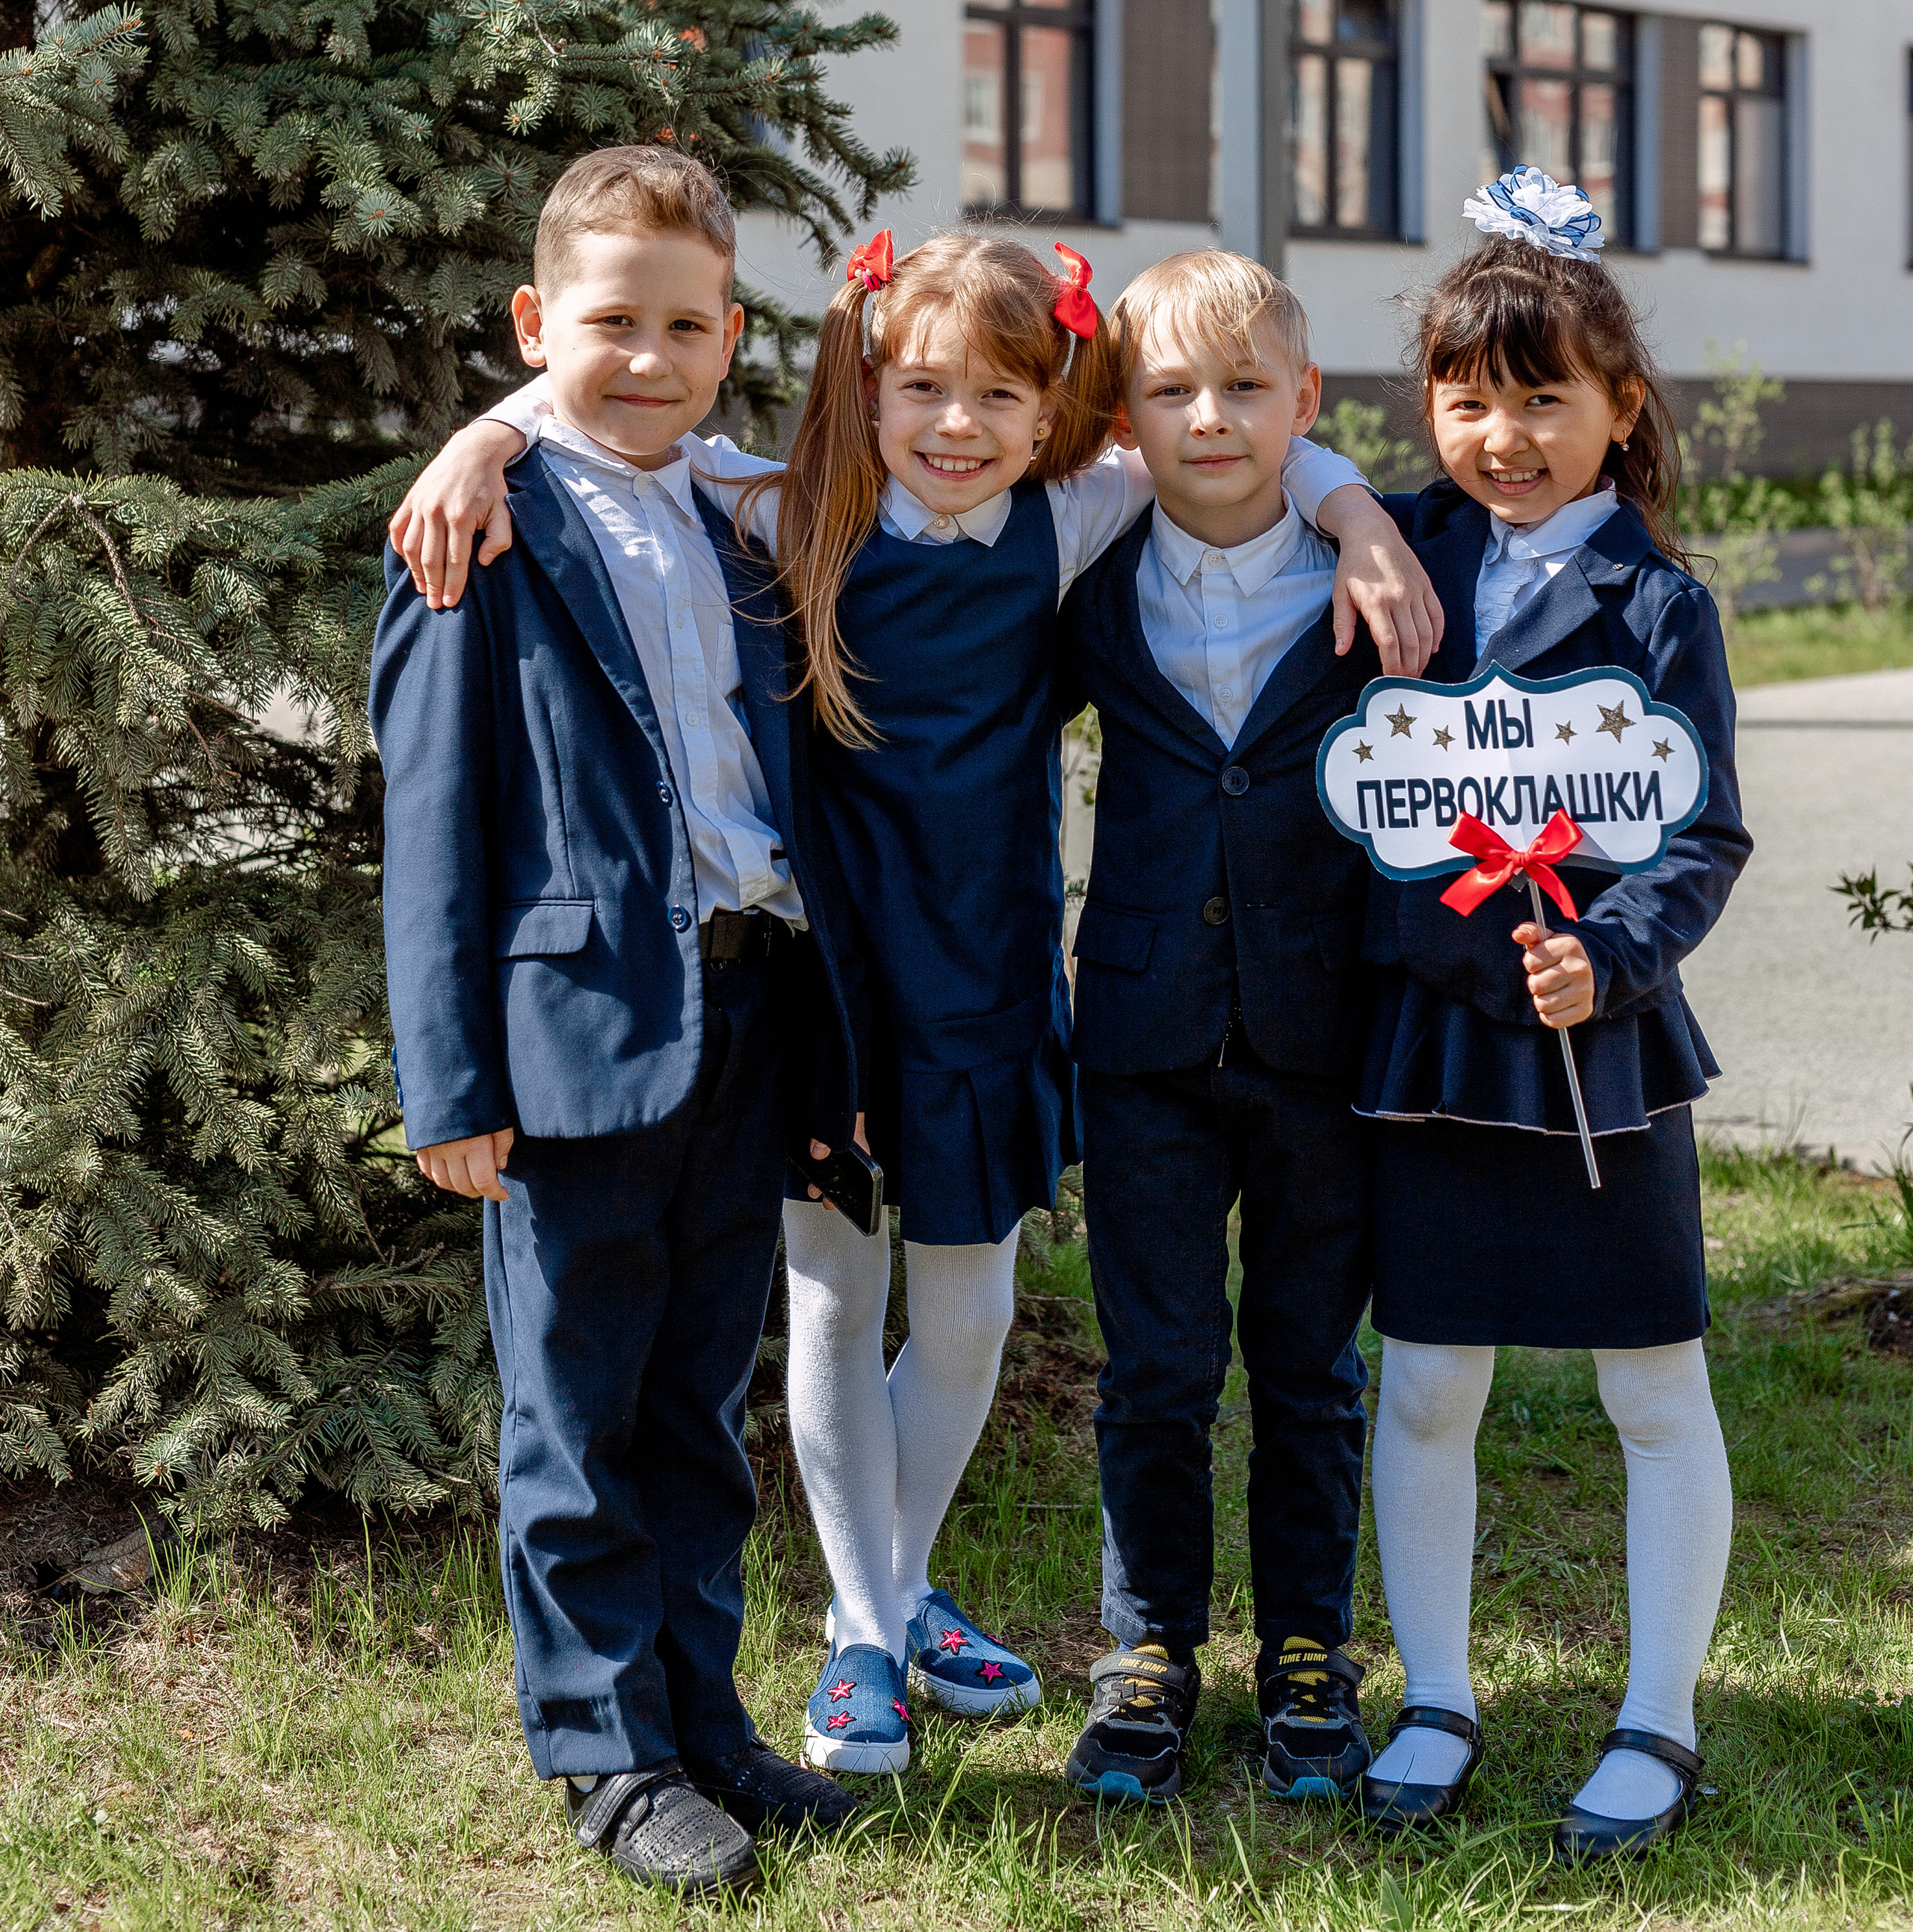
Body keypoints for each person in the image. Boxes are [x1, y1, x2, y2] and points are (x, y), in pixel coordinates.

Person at [391, 226, 1439, 1777]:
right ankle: (867, 1638)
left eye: (999, 395)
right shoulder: (783, 506)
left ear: (1048, 410)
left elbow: (1234, 439)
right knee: (830, 1292)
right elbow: (611, 425)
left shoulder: (1068, 514)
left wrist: (1355, 513)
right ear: (864, 384)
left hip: (991, 972)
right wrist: (482, 432)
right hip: (832, 978)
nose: (957, 426)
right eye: (922, 388)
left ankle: (894, 1582)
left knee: (966, 1313)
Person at [369, 145, 868, 1898]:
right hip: (568, 1038)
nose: (645, 359)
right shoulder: (482, 531)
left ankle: (703, 1724)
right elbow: (432, 821)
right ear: (533, 325)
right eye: (607, 326)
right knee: (576, 1415)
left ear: (727, 337)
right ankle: (604, 1754)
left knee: (693, 1403)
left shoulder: (739, 513)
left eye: (682, 326)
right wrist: (449, 1077)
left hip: (740, 1021)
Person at [1353, 169, 1751, 1861]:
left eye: (1541, 401)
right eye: (1466, 400)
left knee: (1651, 1391)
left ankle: (1654, 1718)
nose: (1501, 437)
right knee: (1426, 1378)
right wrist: (1457, 936)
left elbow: (1706, 828)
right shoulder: (1383, 551)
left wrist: (1613, 951)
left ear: (1617, 408)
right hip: (1439, 1032)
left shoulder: (1661, 601)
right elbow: (1355, 795)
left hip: (1602, 1042)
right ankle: (1433, 1694)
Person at [1053, 252, 1414, 1809]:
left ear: (1303, 405)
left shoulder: (1376, 577)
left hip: (1321, 1037)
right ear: (1119, 421)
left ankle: (1310, 1653)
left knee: (1308, 1366)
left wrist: (1354, 509)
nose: (1211, 418)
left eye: (1246, 389)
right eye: (1170, 392)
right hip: (1139, 1039)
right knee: (1153, 1363)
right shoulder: (1077, 575)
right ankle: (1146, 1650)